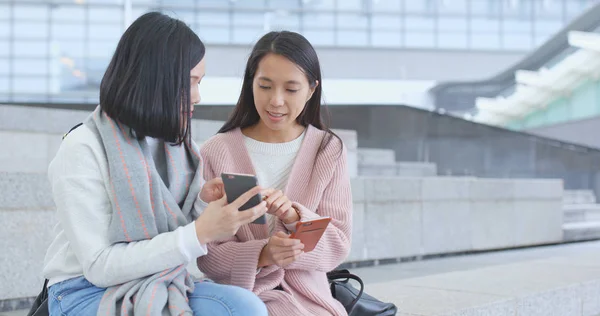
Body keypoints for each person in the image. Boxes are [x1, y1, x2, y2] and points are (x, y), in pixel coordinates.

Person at [42, 12, 268, 316]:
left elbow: (180, 224)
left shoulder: (180, 147)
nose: (198, 97)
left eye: (200, 83)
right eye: (190, 83)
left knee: (245, 307)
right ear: (156, 79)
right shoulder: (82, 147)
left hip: (162, 278)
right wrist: (199, 233)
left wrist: (204, 202)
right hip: (81, 288)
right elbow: (99, 266)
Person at [197, 31, 353, 315]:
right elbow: (209, 255)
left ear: (311, 89)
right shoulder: (217, 151)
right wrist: (264, 254)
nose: (276, 101)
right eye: (265, 86)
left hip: (312, 301)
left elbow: (338, 244)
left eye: (291, 89)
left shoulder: (327, 150)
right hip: (242, 298)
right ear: (250, 84)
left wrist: (294, 219)